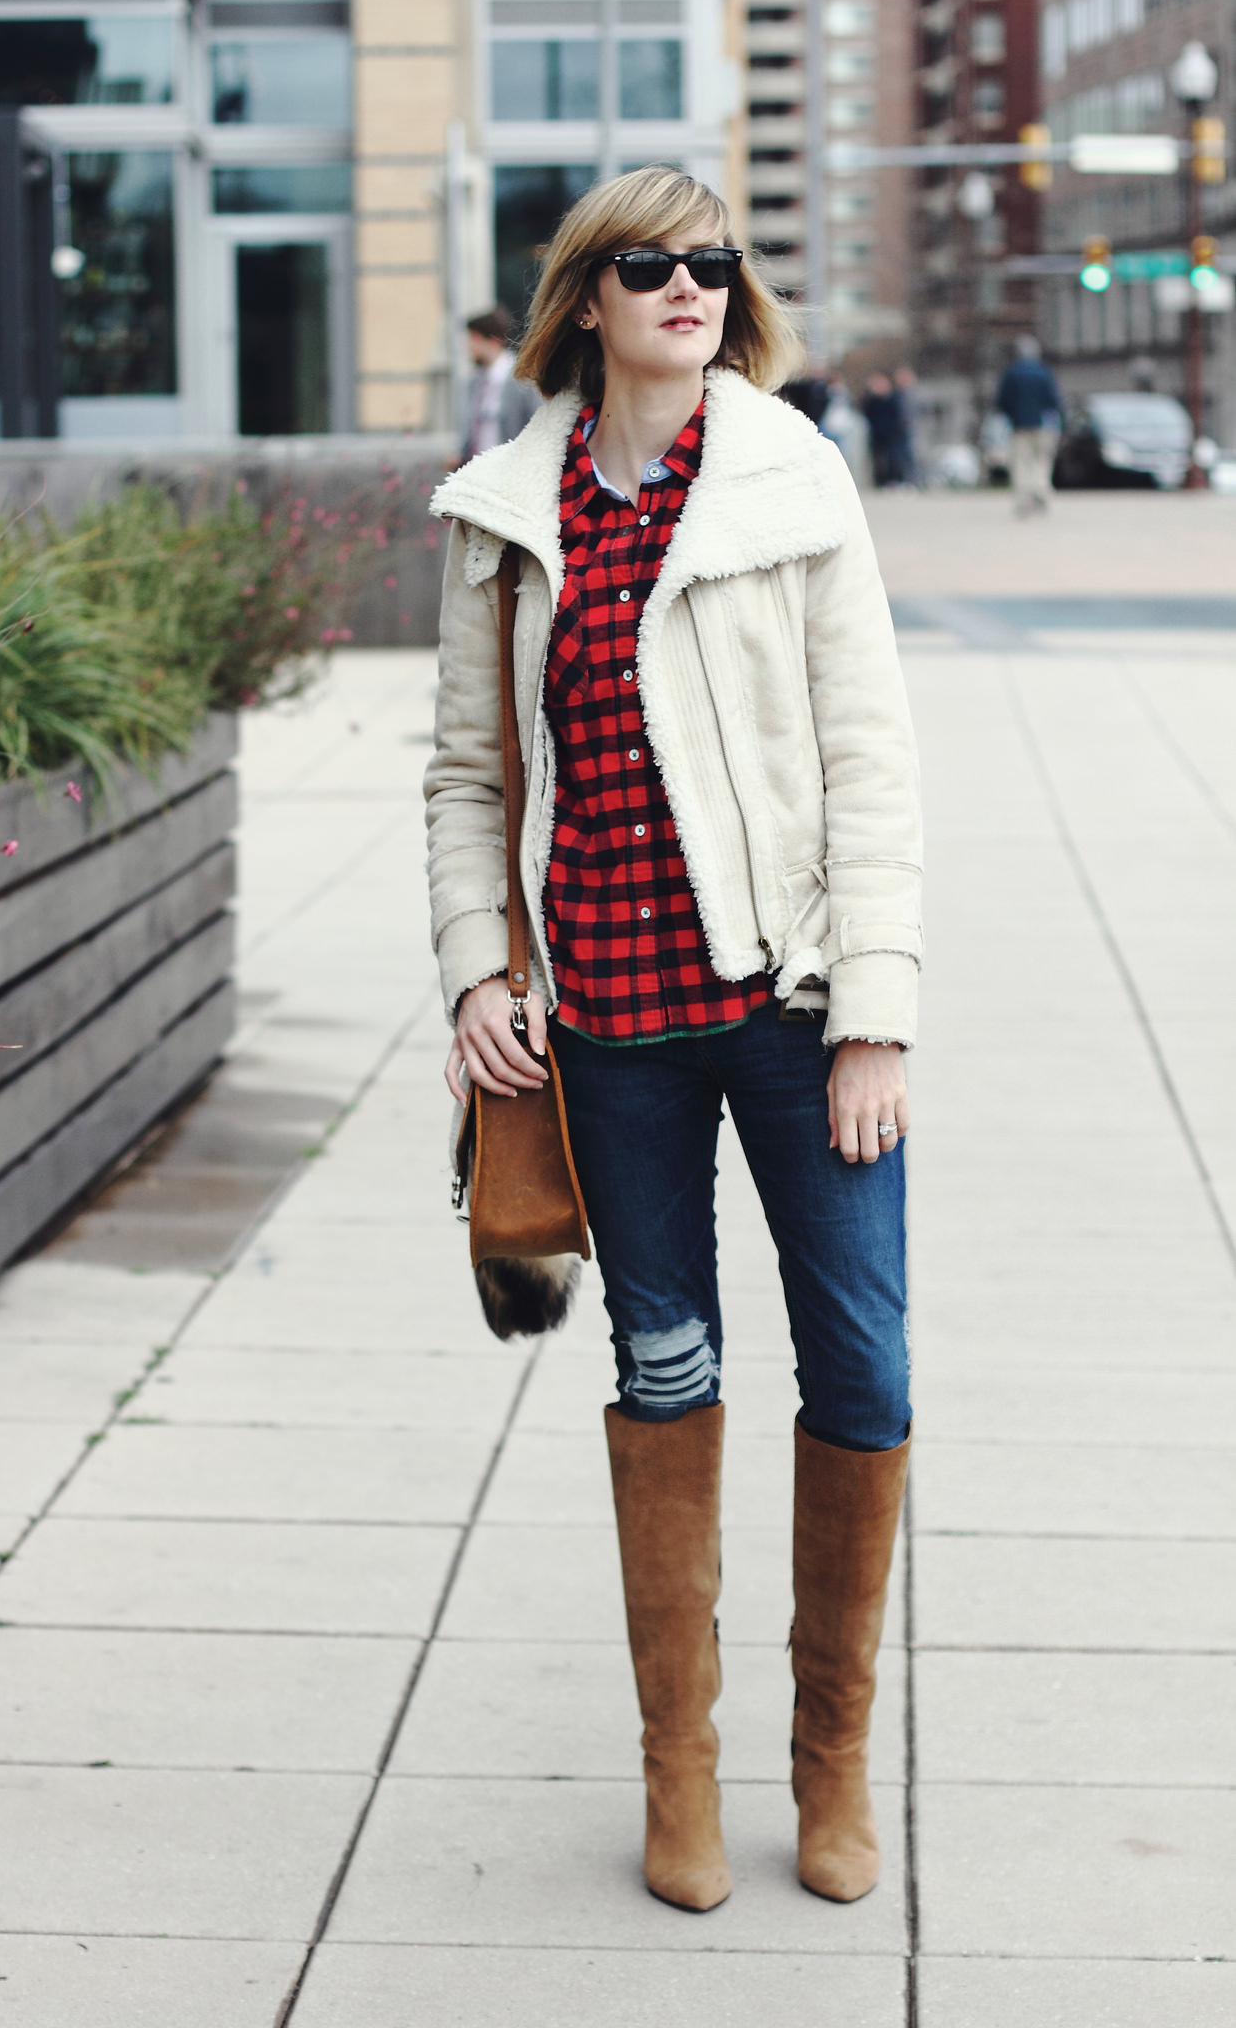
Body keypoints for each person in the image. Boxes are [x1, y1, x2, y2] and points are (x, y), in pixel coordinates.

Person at [425, 167, 921, 1916]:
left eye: (715, 265)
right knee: (663, 1365)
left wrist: (880, 1015)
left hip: (793, 1013)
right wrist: (480, 970)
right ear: (585, 303)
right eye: (653, 268)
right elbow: (472, 773)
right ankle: (682, 1771)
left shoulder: (796, 477)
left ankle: (834, 1763)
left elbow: (870, 759)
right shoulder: (504, 511)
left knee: (863, 1369)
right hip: (608, 1027)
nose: (691, 290)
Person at [994, 335, 1065, 516]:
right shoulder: (1043, 372)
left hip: (1019, 425)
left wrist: (1012, 416)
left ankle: (1023, 498)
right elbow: (1053, 400)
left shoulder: (1011, 372)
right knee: (1041, 461)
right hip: (1042, 425)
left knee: (1020, 462)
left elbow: (1002, 400)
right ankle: (1040, 492)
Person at [462, 305, 538, 460]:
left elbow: (536, 424)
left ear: (493, 341)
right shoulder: (476, 381)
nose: (470, 347)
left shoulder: (522, 378)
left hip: (511, 468)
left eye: (475, 339)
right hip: (479, 470)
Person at [860, 371, 903, 486]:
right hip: (877, 433)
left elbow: (898, 415)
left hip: (891, 433)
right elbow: (865, 411)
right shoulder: (873, 400)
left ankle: (895, 479)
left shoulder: (893, 398)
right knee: (878, 458)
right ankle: (880, 480)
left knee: (893, 457)